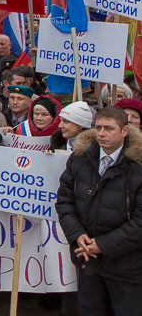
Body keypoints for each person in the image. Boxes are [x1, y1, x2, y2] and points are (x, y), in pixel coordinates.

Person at [56, 106, 142, 316]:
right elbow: (64, 201)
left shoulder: (137, 166)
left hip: (127, 265)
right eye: (98, 127)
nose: (102, 133)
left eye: (109, 128)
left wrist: (102, 245)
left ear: (124, 131)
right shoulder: (80, 158)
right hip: (87, 260)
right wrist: (78, 235)